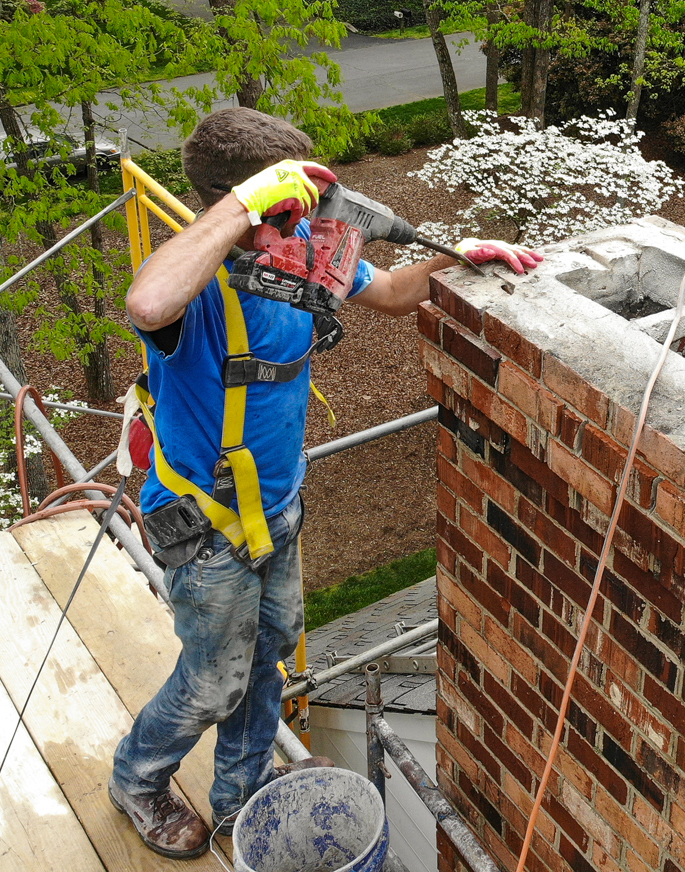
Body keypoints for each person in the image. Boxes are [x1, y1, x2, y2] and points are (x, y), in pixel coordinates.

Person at [110, 107, 541, 860]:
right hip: (205, 528)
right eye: (281, 215)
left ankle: (240, 795)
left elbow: (394, 294)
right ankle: (137, 779)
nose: (298, 232)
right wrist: (243, 206)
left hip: (276, 510)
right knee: (213, 684)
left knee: (270, 651)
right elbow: (146, 302)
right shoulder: (198, 292)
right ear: (238, 207)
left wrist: (458, 258)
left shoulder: (300, 254)